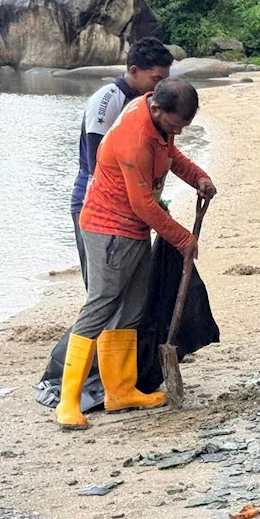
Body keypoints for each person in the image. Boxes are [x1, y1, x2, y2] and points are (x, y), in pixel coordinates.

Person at [56, 79, 217, 429]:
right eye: (175, 126)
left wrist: (198, 177)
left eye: (182, 128)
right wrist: (182, 239)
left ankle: (121, 391)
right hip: (107, 229)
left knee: (131, 306)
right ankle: (68, 401)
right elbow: (143, 204)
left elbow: (171, 155)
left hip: (134, 229)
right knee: (101, 304)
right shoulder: (134, 136)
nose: (176, 132)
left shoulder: (158, 120)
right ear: (157, 109)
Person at [69, 38, 175, 286]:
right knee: (103, 290)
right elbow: (98, 165)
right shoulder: (107, 101)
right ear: (135, 72)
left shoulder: (149, 105)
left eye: (164, 81)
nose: (160, 88)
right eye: (156, 80)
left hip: (132, 206)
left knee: (131, 289)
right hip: (97, 206)